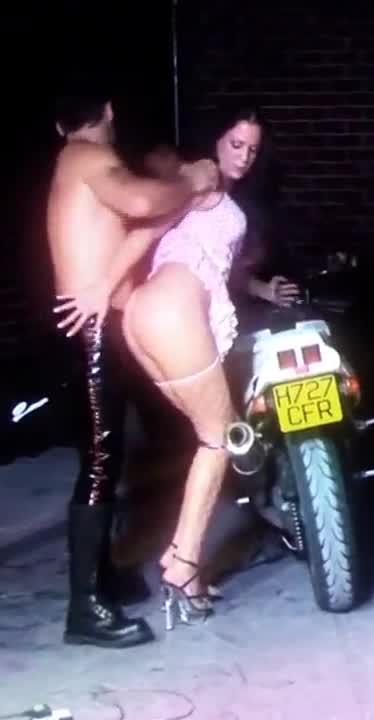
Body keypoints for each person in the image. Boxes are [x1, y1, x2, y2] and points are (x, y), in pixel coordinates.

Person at [56, 108, 267, 631]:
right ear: (214, 142)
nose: (244, 156)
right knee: (219, 438)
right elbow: (149, 228)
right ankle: (183, 568)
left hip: (149, 316)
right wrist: (101, 288)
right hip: (168, 310)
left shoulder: (209, 187)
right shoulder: (201, 177)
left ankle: (179, 561)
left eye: (252, 149)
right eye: (235, 143)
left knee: (210, 435)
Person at [46, 87, 219, 648]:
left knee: (107, 455)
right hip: (91, 330)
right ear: (109, 111)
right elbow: (143, 201)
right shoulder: (89, 156)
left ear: (58, 123)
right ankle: (85, 610)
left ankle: (101, 578)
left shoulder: (73, 160)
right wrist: (190, 181)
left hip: (101, 328)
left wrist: (183, 196)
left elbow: (143, 219)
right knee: (101, 462)